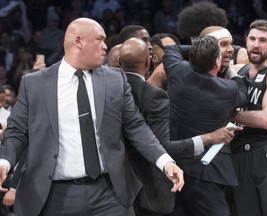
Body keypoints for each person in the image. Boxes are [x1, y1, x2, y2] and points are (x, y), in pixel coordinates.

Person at [0, 17, 184, 216]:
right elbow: (16, 131)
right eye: (100, 39)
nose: (105, 46)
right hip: (54, 194)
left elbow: (136, 127)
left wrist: (165, 161)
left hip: (110, 193)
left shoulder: (116, 80)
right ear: (78, 42)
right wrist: (4, 163)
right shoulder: (34, 83)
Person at [119, 37, 240, 216]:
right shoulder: (156, 94)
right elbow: (163, 146)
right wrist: (210, 137)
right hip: (167, 176)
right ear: (148, 60)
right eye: (223, 45)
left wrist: (203, 49)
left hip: (120, 181)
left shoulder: (108, 90)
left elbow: (172, 50)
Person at [162, 36, 248, 216]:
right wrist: (231, 70)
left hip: (173, 164)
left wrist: (198, 49)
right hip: (206, 170)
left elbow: (172, 49)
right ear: (217, 61)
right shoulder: (227, 89)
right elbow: (243, 92)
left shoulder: (178, 70)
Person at [230, 19, 267, 216]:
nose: (256, 44)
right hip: (238, 150)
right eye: (252, 39)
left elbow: (266, 120)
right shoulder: (237, 71)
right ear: (246, 41)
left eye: (263, 40)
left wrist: (231, 114)